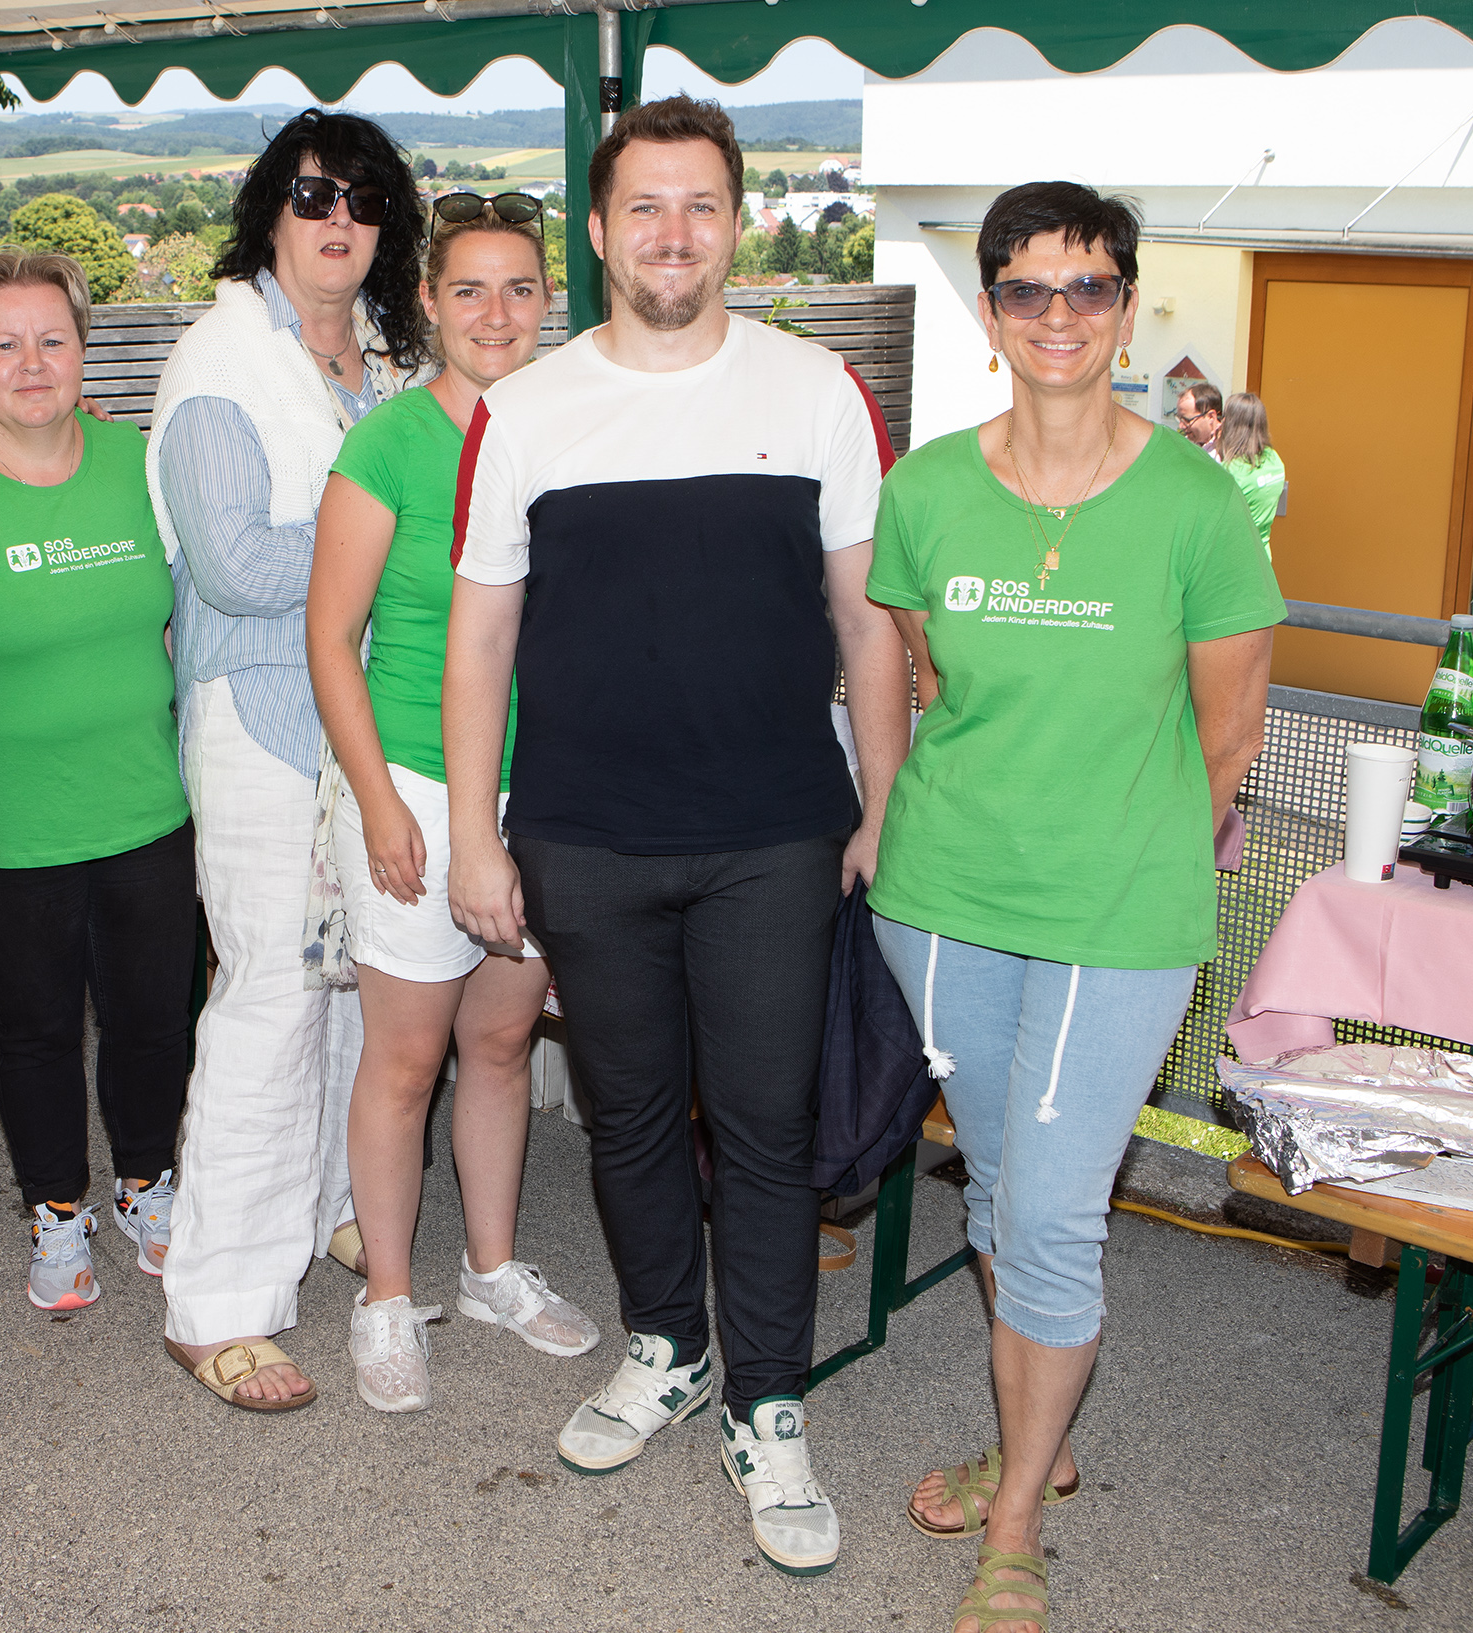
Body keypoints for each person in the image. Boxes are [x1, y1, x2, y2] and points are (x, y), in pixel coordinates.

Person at [443, 96, 907, 1576]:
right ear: (598, 230)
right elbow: (478, 642)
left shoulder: (819, 390)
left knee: (766, 1135)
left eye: (700, 205)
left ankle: (768, 1403)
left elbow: (866, 619)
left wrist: (883, 795)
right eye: (644, 206)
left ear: (736, 221)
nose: (672, 234)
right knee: (632, 1120)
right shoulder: (526, 409)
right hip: (586, 837)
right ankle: (667, 1349)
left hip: (775, 832)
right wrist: (474, 833)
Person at [863, 182, 1283, 1633]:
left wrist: (1119, 827)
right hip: (939, 898)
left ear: (1123, 308)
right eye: (1029, 290)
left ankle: (1019, 1511)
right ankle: (1026, 1434)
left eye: (1087, 288)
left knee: (1047, 1215)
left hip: (1117, 904)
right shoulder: (921, 489)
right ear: (988, 311)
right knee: (999, 1189)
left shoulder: (1195, 503)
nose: (1059, 315)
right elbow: (924, 676)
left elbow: (1227, 733)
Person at [144, 110, 425, 1412]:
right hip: (256, 710)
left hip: (363, 720)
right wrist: (380, 541)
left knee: (346, 986)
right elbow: (233, 564)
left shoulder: (382, 356)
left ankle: (324, 1205)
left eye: (364, 200)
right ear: (270, 209)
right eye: (313, 194)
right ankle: (217, 1302)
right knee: (267, 993)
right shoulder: (217, 357)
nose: (338, 220)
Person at [307, 197, 598, 1415]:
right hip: (420, 793)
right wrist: (377, 804)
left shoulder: (581, 432)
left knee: (495, 1043)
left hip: (549, 793)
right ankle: (385, 1292)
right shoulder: (387, 447)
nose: (495, 313)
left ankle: (488, 1267)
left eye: (519, 288)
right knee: (407, 1054)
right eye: (468, 289)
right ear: (426, 302)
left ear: (548, 302)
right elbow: (330, 640)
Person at [0, 251, 194, 1315]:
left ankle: (147, 1184)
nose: (31, 362)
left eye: (51, 339)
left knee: (158, 1017)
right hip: (8, 825)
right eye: (4, 342)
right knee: (37, 1029)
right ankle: (55, 1212)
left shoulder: (134, 462)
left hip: (147, 804)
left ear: (83, 350)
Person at [1217, 391, 1285, 557]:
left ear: (1231, 424)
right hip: (1262, 556)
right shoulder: (1273, 459)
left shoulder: (1231, 471)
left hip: (1234, 559)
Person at [1173, 380, 1222, 456]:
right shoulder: (1183, 447)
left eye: (1187, 420)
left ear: (1211, 417)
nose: (1181, 426)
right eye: (1179, 419)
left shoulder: (1229, 448)